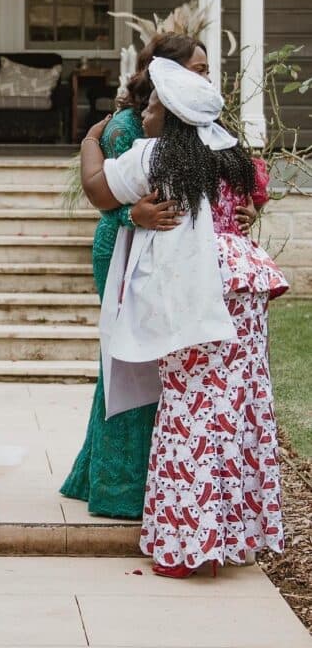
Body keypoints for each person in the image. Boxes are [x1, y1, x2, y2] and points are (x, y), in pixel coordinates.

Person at [81, 56, 286, 577]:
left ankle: (187, 546)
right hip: (243, 289)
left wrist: (89, 143)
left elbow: (99, 190)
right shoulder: (232, 157)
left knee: (188, 415)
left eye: (150, 107)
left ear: (169, 114)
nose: (142, 115)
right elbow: (245, 207)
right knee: (236, 413)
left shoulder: (155, 157)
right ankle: (231, 536)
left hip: (195, 293)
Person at [61, 35, 257, 519]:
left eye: (207, 69)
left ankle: (153, 480)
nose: (206, 78)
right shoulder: (131, 125)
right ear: (164, 76)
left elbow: (219, 191)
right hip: (127, 248)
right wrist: (131, 208)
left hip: (176, 257)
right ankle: (117, 482)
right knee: (126, 363)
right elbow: (110, 201)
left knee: (158, 370)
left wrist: (241, 211)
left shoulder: (200, 124)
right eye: (197, 68)